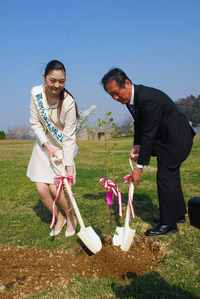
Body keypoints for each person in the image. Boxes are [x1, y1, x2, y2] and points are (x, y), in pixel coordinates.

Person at [101, 68, 196, 236]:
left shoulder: (147, 99)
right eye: (111, 95)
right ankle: (178, 213)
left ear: (127, 83)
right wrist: (136, 144)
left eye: (116, 93)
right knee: (171, 175)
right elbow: (139, 123)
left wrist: (139, 167)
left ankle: (169, 223)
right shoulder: (131, 99)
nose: (115, 98)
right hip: (168, 139)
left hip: (176, 139)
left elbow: (149, 133)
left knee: (165, 178)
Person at [27, 60, 78, 237]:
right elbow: (35, 122)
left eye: (61, 81)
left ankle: (72, 218)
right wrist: (47, 146)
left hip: (63, 148)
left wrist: (69, 167)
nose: (57, 85)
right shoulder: (36, 94)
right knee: (42, 189)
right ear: (44, 77)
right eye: (52, 80)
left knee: (56, 188)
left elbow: (69, 136)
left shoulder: (69, 102)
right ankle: (59, 218)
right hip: (43, 146)